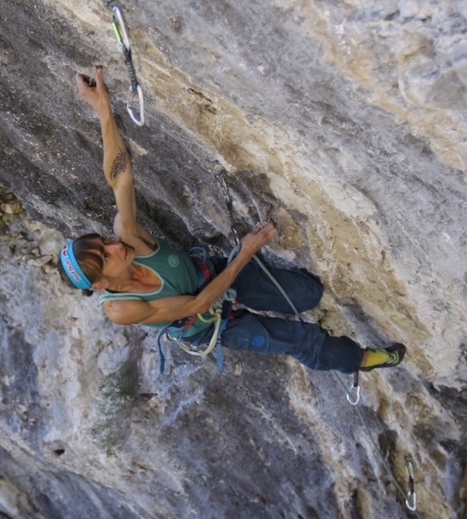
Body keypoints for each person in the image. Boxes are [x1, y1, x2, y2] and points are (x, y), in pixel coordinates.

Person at [58, 66, 405, 375]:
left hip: (211, 273)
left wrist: (102, 108)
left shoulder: (128, 237)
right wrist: (246, 252)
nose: (115, 245)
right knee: (301, 341)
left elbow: (120, 179)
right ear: (101, 284)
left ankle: (292, 302)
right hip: (210, 324)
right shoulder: (121, 309)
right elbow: (197, 304)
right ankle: (362, 360)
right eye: (106, 257)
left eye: (104, 241)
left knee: (309, 294)